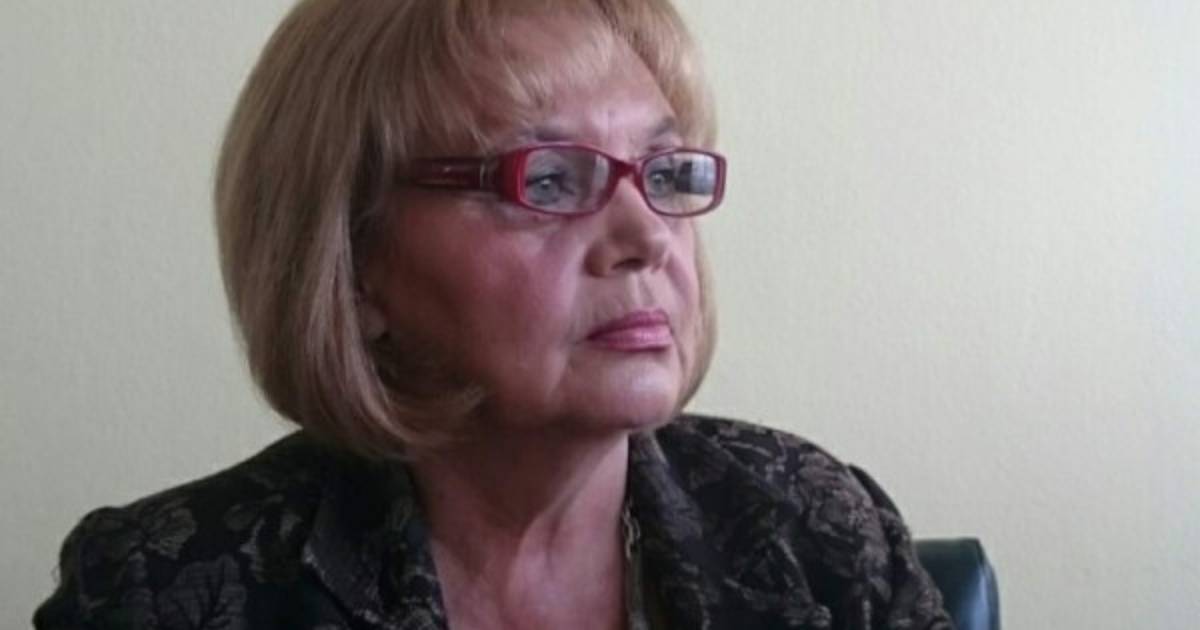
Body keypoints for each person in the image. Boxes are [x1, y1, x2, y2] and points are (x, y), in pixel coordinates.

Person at [34, 1, 952, 628]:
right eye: (548, 180)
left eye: (665, 172)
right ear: (354, 260)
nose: (645, 236)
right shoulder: (162, 594)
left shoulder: (818, 534)